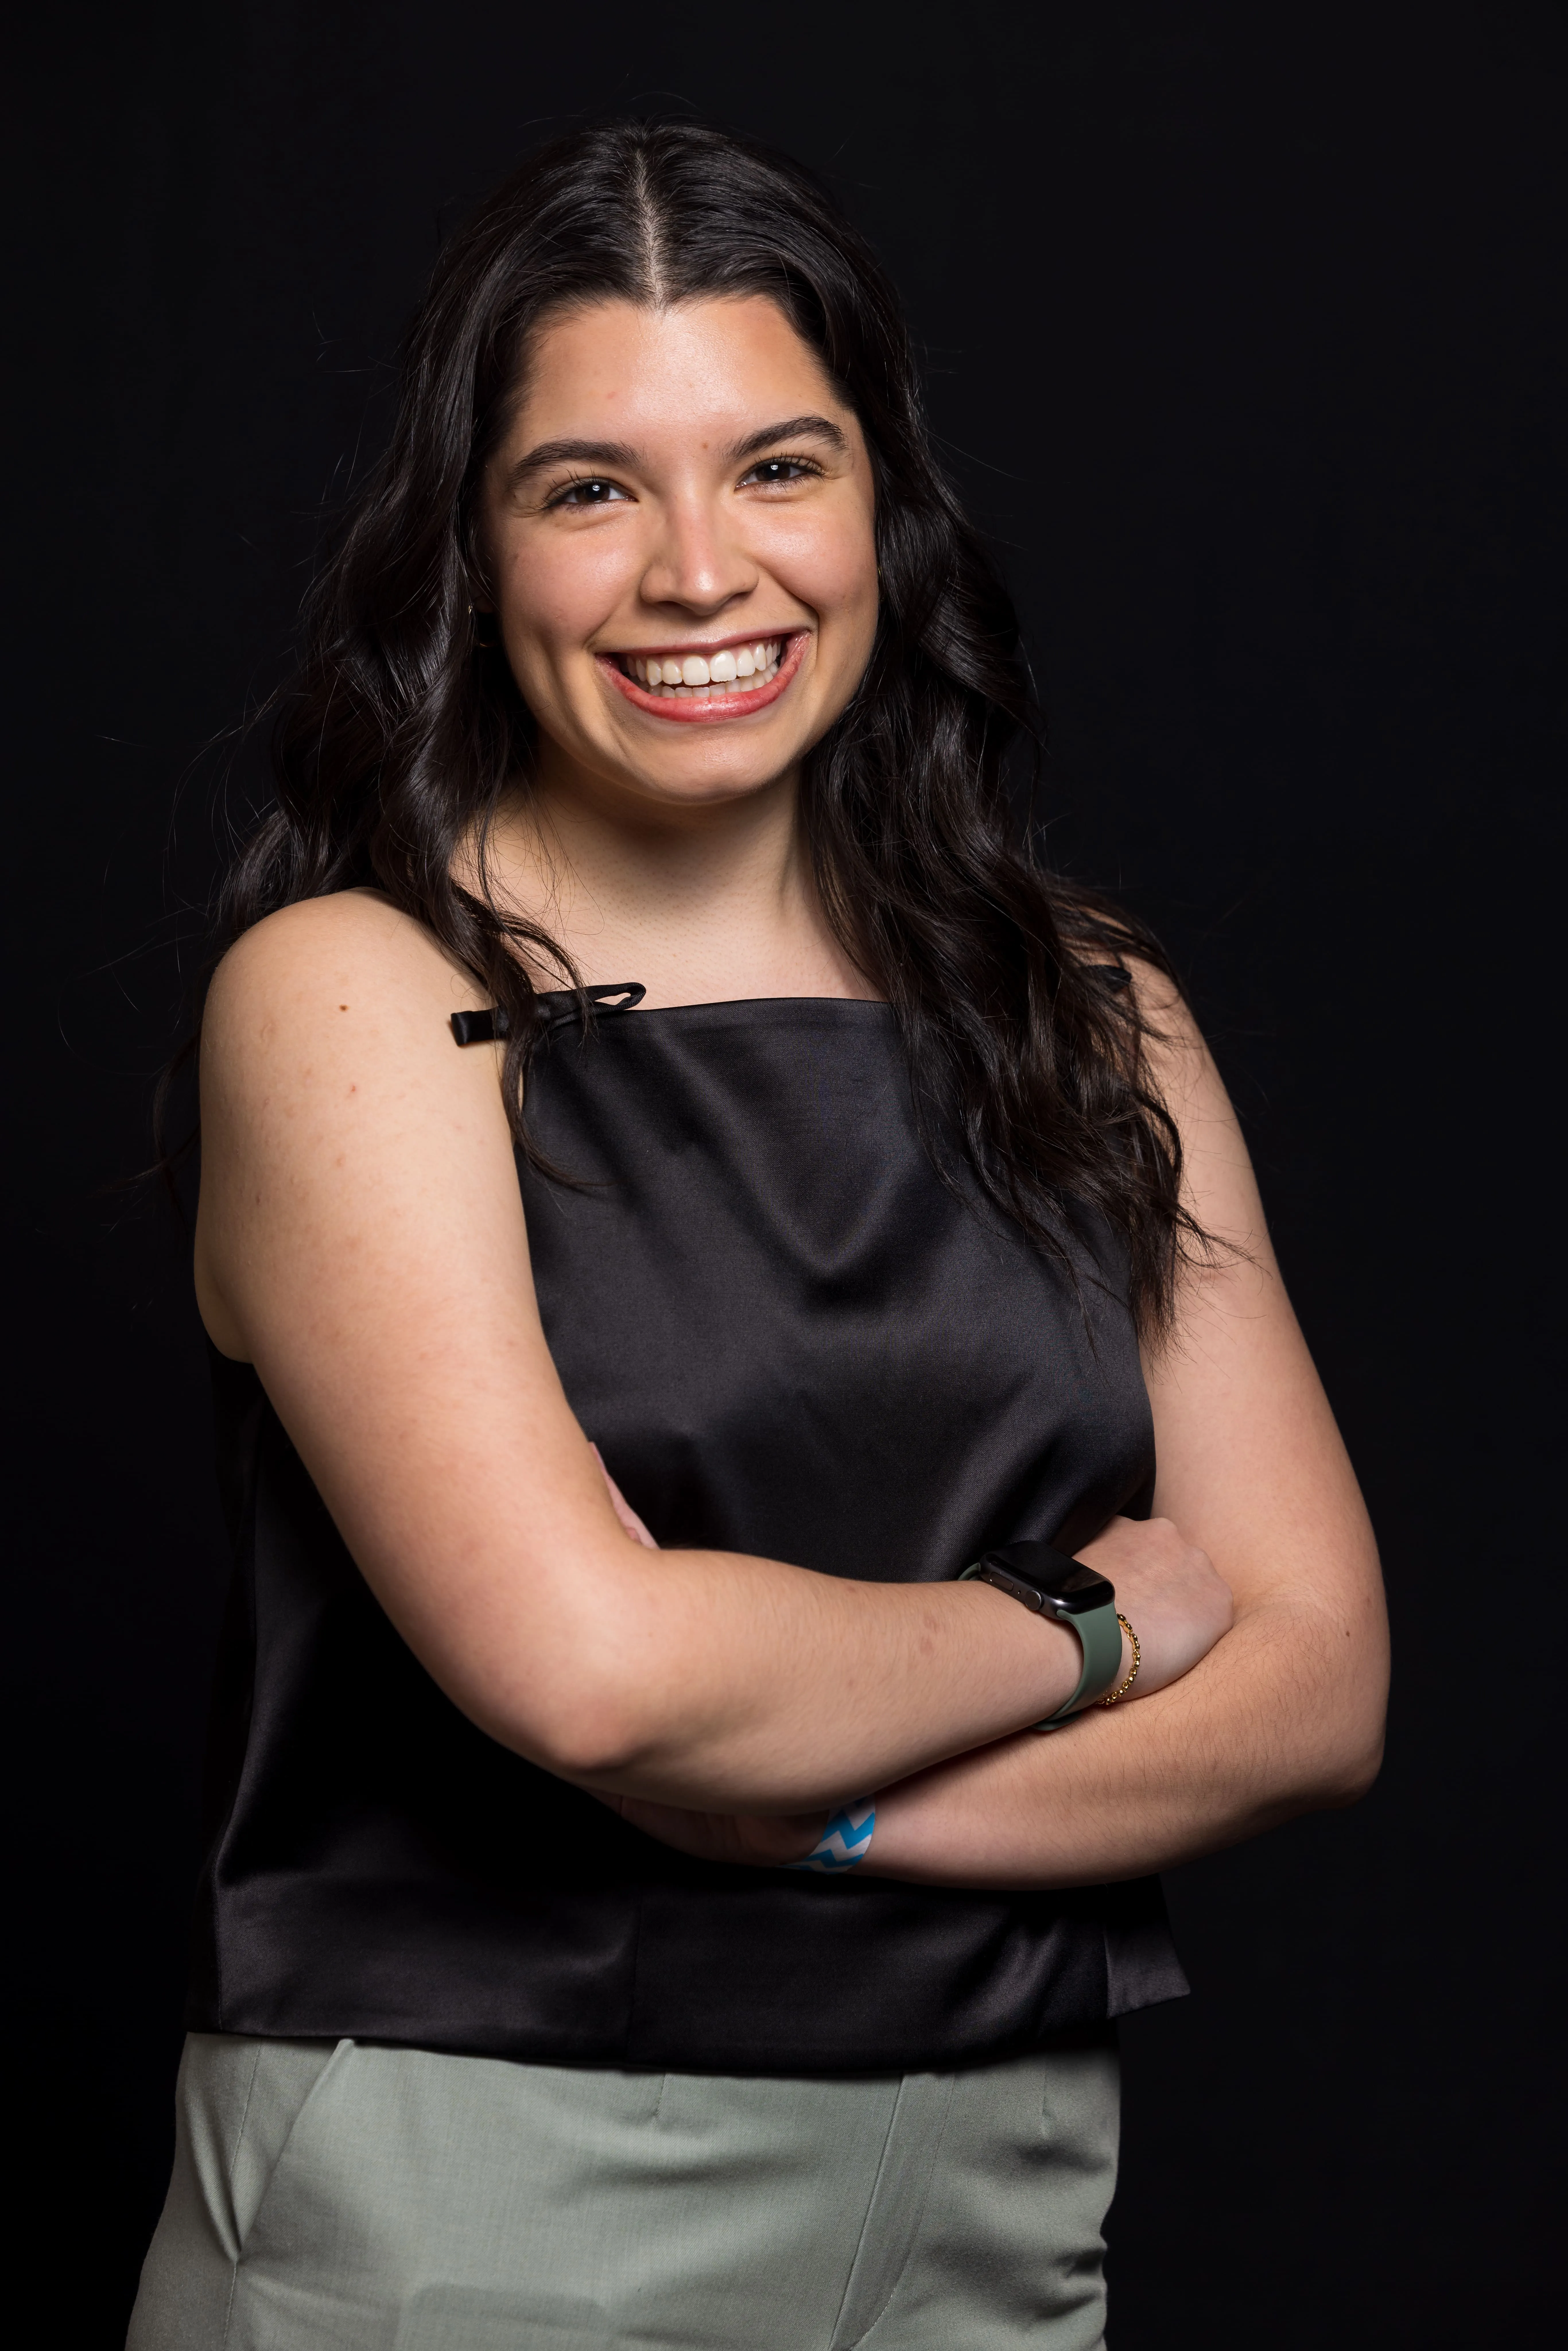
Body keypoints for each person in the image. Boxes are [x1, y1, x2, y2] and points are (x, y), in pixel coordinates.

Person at [127, 119, 1387, 2351]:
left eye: (775, 467)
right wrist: (1084, 1624)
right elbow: (594, 1672)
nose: (700, 570)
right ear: (471, 545)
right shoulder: (353, 993)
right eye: (589, 485)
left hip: (990, 2191)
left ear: (877, 507)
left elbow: (1314, 1682)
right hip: (490, 2194)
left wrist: (809, 1818)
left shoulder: (1085, 1008)